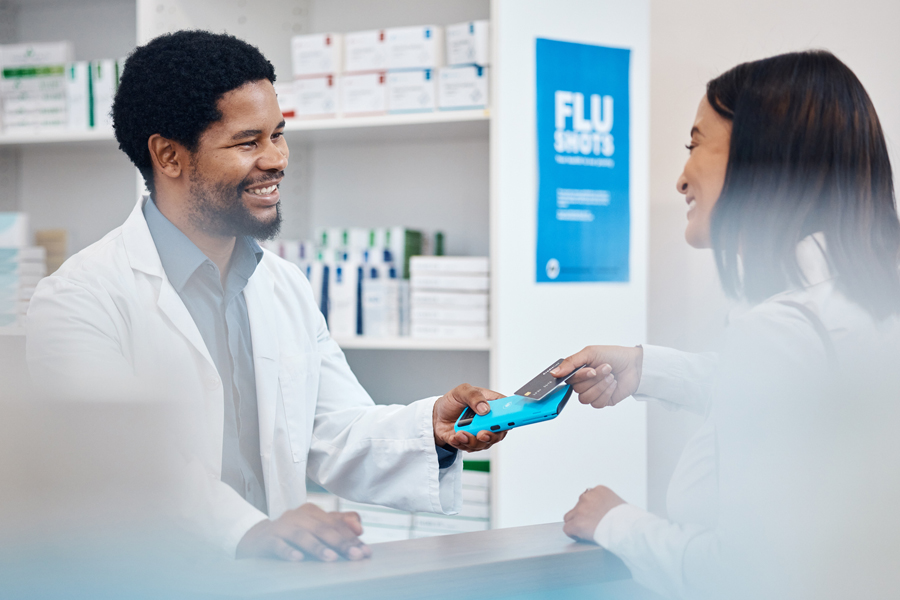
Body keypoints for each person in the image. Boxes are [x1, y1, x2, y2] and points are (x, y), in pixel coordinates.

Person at [25, 31, 506, 562]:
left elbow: (331, 428)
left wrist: (431, 430)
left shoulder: (282, 284)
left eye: (278, 134)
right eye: (248, 142)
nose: (277, 159)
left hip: (275, 577)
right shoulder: (79, 299)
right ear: (168, 155)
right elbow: (116, 465)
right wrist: (244, 531)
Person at [554, 51, 900, 598]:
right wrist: (645, 370)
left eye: (695, 145)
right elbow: (805, 398)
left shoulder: (780, 329)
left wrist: (615, 521)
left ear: (765, 156)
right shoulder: (864, 304)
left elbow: (740, 572)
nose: (680, 179)